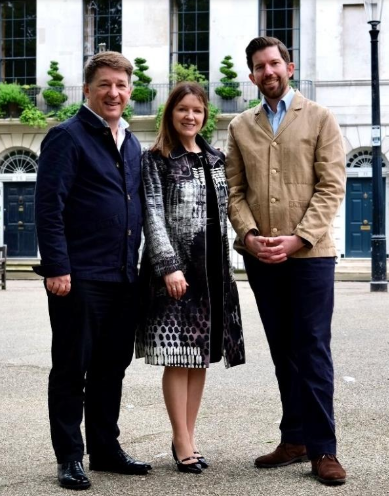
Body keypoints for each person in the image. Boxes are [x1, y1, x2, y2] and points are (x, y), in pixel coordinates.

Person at [225, 36, 347, 486]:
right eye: (259, 66)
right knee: (282, 350)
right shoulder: (240, 126)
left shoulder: (319, 118)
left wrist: (298, 239)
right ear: (253, 75)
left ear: (289, 67)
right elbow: (235, 193)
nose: (268, 71)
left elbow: (331, 187)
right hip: (262, 258)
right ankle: (294, 438)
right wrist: (250, 236)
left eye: (274, 63)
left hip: (311, 255)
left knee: (312, 347)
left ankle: (323, 449)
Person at [34, 51, 151, 490]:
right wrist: (58, 267)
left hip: (123, 277)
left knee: (110, 369)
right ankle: (69, 457)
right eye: (105, 85)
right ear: (87, 89)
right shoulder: (67, 137)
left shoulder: (132, 142)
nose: (114, 93)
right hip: (79, 278)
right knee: (70, 369)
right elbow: (50, 207)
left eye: (121, 85)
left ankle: (104, 448)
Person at [137, 82, 245, 474]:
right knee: (178, 357)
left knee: (200, 358)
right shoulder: (157, 158)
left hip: (212, 272)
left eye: (197, 110)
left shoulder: (216, 158)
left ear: (204, 115)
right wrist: (168, 266)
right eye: (183, 109)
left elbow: (230, 209)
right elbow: (152, 215)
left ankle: (188, 435)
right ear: (171, 113)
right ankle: (181, 440)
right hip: (176, 273)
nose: (190, 116)